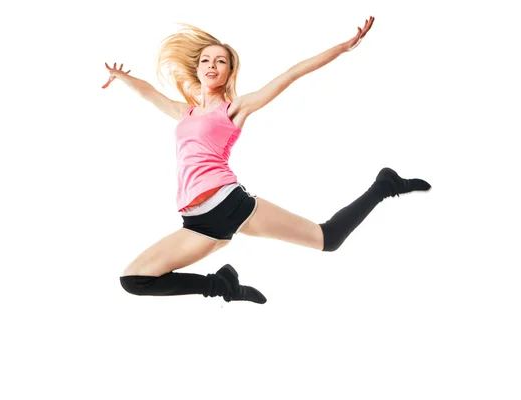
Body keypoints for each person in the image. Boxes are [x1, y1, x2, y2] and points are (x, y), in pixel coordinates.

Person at [103, 16, 431, 304]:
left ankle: (384, 185)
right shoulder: (184, 112)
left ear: (229, 71)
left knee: (328, 239)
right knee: (134, 280)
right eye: (206, 60)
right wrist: (121, 76)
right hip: (198, 222)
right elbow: (148, 92)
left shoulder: (233, 108)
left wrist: (342, 47)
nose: (212, 66)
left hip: (226, 203)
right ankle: (222, 286)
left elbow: (290, 75)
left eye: (221, 62)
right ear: (198, 68)